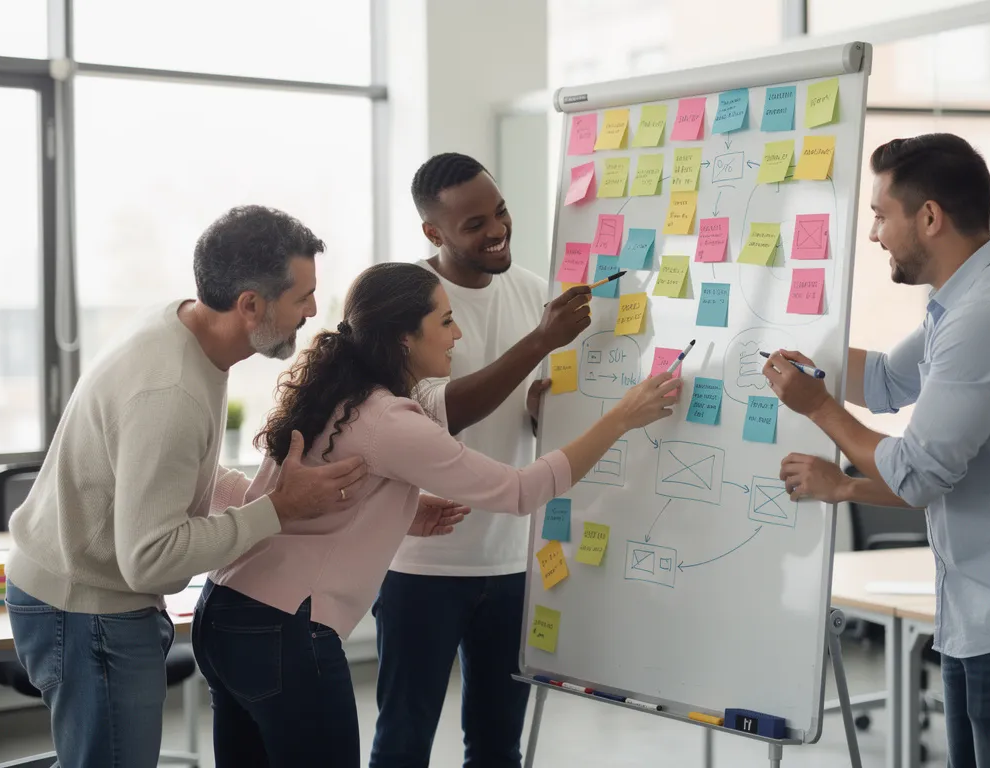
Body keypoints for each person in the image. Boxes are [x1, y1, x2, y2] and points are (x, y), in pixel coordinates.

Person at [191, 262, 678, 767]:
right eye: (445, 321)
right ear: (404, 337)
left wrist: (402, 512)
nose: (458, 333)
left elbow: (317, 498)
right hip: (283, 630)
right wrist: (621, 418)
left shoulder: (334, 392)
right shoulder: (387, 419)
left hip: (225, 612)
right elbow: (518, 491)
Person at [764, 134, 990, 768]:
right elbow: (884, 382)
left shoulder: (989, 316)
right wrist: (788, 344)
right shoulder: (958, 304)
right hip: (985, 610)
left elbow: (917, 473)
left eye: (880, 215)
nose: (874, 235)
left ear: (929, 217)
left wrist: (817, 407)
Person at [4, 205, 369, 768]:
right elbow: (151, 562)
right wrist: (274, 511)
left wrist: (260, 499)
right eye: (301, 296)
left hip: (81, 592)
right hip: (85, 605)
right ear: (250, 304)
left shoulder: (186, 330)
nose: (313, 311)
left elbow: (176, 477)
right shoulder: (170, 391)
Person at [371, 152, 593, 768]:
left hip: (511, 558)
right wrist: (540, 342)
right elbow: (437, 414)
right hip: (421, 563)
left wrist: (545, 411)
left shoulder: (533, 294)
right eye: (474, 225)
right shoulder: (402, 300)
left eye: (500, 212)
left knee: (498, 746)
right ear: (433, 233)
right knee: (403, 741)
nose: (496, 230)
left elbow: (524, 405)